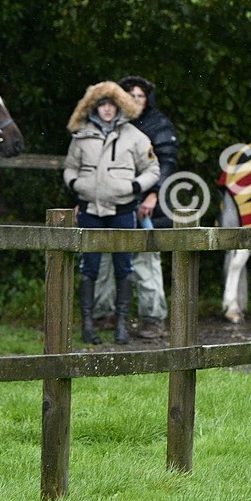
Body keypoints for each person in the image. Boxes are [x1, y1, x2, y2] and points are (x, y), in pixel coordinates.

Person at [63, 81, 159, 345]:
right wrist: (76, 185)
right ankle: (87, 325)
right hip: (90, 210)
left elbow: (153, 169)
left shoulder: (135, 137)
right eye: (102, 105)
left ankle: (121, 326)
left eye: (111, 105)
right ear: (94, 107)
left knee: (123, 267)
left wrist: (135, 187)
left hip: (123, 211)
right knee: (89, 267)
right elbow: (70, 167)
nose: (107, 110)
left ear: (120, 107)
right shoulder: (81, 135)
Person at [91, 76, 179, 338]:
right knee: (104, 257)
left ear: (147, 99)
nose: (134, 100)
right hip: (110, 204)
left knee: (146, 260)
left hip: (147, 206)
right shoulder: (109, 124)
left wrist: (153, 195)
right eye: (130, 96)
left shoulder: (159, 125)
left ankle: (153, 319)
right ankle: (103, 314)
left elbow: (166, 164)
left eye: (139, 96)